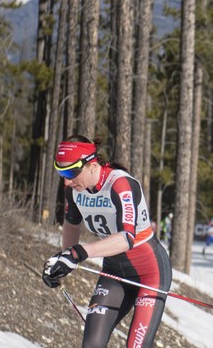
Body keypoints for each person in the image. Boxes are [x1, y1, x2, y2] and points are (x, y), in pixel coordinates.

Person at [41, 135, 171, 347]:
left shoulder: (120, 184)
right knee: (92, 345)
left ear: (92, 164)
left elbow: (126, 239)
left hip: (150, 274)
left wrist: (78, 253)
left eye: (71, 172)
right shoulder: (74, 191)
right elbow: (71, 226)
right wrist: (64, 262)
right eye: (61, 172)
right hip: (114, 273)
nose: (67, 180)